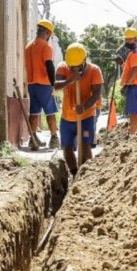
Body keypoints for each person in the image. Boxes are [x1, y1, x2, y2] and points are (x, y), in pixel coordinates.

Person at [54, 42, 103, 176]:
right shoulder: (63, 68)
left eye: (78, 67)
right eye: (72, 67)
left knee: (85, 145)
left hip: (86, 115)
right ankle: (75, 173)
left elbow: (97, 94)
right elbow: (56, 86)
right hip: (67, 117)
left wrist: (85, 107)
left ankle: (87, 175)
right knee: (67, 147)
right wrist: (70, 80)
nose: (75, 69)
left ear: (84, 60)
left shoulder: (94, 70)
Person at [24, 19, 60, 150]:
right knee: (50, 113)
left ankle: (33, 139)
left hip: (32, 85)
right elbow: (49, 66)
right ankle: (54, 139)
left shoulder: (28, 46)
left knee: (34, 113)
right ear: (48, 33)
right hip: (44, 85)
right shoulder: (46, 46)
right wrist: (54, 84)